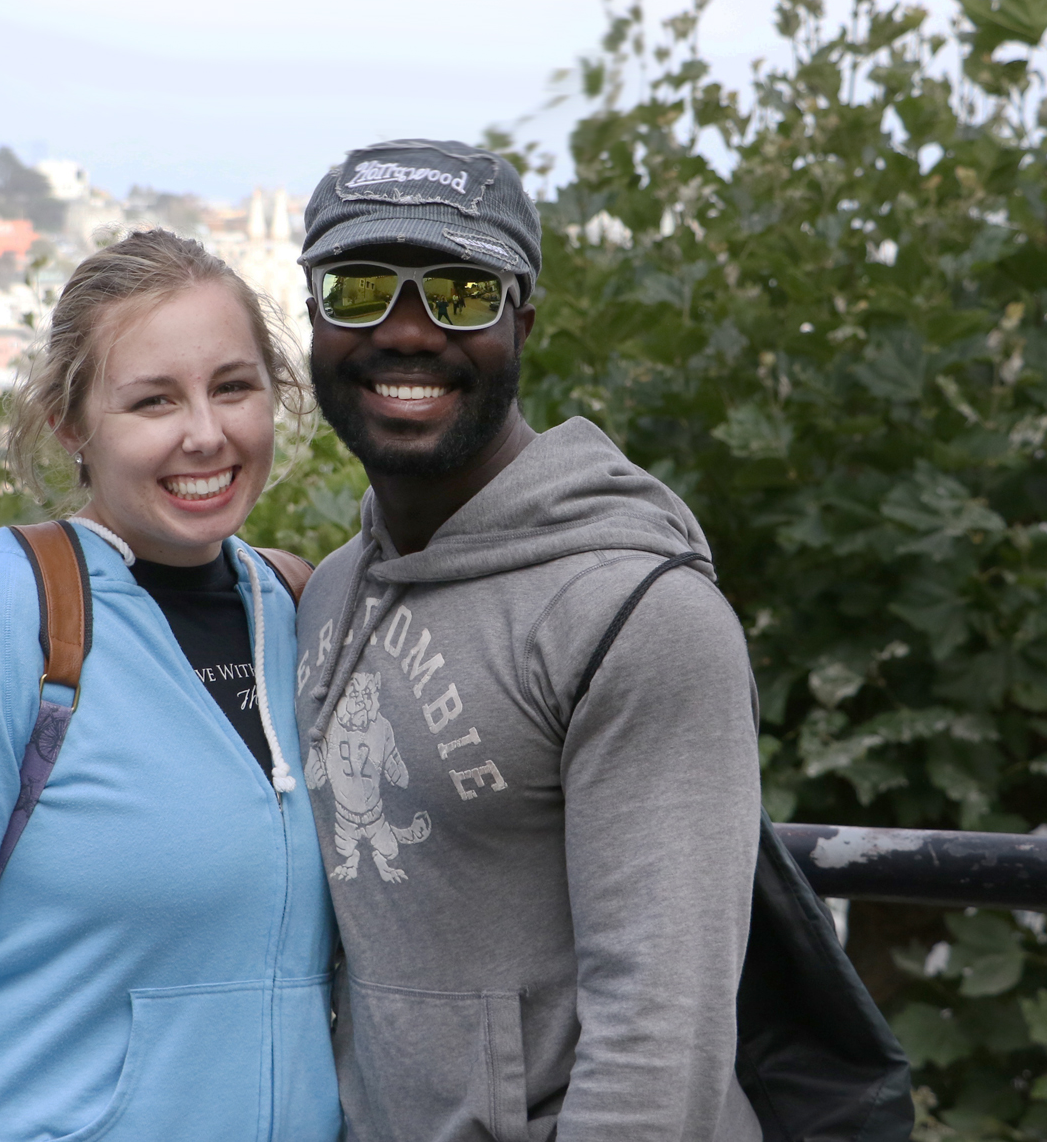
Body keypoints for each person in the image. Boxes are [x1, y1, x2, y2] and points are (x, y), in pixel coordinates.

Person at [0, 230, 342, 1142]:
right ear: (70, 422)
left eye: (234, 387)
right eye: (153, 400)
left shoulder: (300, 612)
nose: (205, 433)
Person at [294, 140, 765, 1141]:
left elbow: (659, 1046)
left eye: (461, 292)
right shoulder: (329, 593)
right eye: (360, 287)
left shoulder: (636, 615)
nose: (407, 329)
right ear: (311, 320)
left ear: (523, 321)